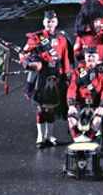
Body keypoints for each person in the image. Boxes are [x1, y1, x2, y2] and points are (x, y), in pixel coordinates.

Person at [20, 10, 72, 148]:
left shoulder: (62, 38)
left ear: (56, 22)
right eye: (48, 21)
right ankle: (40, 137)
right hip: (41, 76)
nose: (50, 24)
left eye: (53, 21)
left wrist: (67, 75)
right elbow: (22, 54)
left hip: (56, 76)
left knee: (52, 108)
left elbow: (66, 58)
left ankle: (49, 135)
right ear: (44, 22)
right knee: (41, 108)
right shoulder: (35, 37)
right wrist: (29, 64)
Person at [66, 47, 103, 142]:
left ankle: (88, 139)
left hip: (96, 105)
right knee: (71, 119)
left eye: (93, 56)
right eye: (89, 56)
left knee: (97, 121)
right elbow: (72, 89)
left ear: (98, 58)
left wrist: (101, 107)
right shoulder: (77, 72)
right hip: (81, 105)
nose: (91, 58)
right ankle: (78, 139)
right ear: (85, 57)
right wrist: (71, 106)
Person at [73, 0, 103, 74]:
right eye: (93, 21)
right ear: (89, 22)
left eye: (98, 20)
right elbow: (75, 56)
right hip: (87, 69)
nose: (96, 24)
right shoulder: (82, 36)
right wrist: (82, 54)